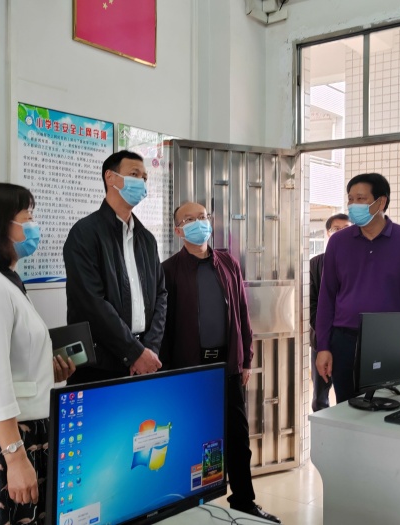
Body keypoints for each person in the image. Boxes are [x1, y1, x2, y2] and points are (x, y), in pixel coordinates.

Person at [0, 183, 76, 525]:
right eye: (28, 217)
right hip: (8, 439)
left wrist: (48, 372)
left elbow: (14, 363)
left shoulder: (6, 281)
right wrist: (15, 457)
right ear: (0, 225)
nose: (34, 226)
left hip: (28, 432)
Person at [161, 201, 281, 524]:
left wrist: (246, 359)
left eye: (202, 217)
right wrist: (168, 374)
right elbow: (164, 326)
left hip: (227, 368)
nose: (198, 223)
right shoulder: (169, 270)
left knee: (238, 439)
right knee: (191, 438)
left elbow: (242, 312)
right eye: (189, 219)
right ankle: (186, 506)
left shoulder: (228, 263)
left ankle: (243, 502)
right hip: (189, 371)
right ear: (178, 230)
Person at [315, 173, 400, 403]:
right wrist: (323, 346)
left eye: (361, 199)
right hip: (344, 341)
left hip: (390, 343)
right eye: (350, 199)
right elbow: (326, 298)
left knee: (391, 408)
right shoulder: (338, 242)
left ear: (381, 202)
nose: (353, 205)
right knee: (347, 409)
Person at [63, 150, 166, 383]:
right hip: (101, 365)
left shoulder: (146, 239)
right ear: (110, 177)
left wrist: (150, 348)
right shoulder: (84, 233)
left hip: (145, 361)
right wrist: (134, 352)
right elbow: (91, 303)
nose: (141, 182)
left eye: (144, 177)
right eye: (134, 174)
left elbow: (161, 294)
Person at [309, 213, 350, 411]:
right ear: (327, 233)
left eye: (346, 229)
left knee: (349, 394)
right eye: (336, 229)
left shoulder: (360, 263)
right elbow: (311, 304)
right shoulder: (315, 264)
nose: (341, 233)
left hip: (349, 341)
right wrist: (326, 331)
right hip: (322, 340)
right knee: (321, 396)